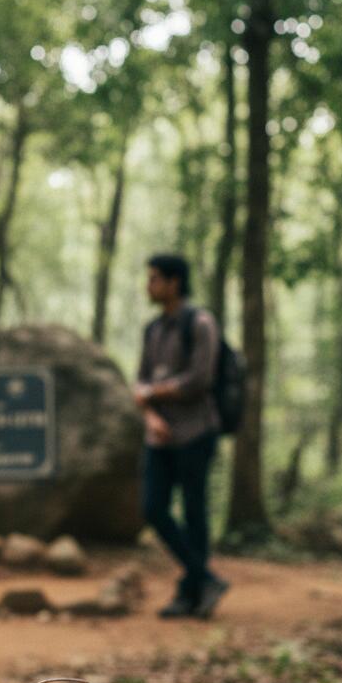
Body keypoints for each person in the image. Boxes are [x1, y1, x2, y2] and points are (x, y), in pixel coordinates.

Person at [135, 253, 229, 620]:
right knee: (153, 508)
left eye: (155, 278)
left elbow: (199, 379)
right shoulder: (152, 329)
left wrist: (153, 394)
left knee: (194, 513)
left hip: (196, 433)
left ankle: (190, 594)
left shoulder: (201, 324)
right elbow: (140, 382)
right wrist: (150, 414)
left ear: (175, 282)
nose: (149, 286)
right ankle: (205, 579)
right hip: (159, 438)